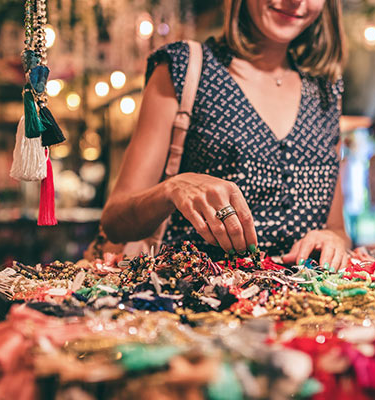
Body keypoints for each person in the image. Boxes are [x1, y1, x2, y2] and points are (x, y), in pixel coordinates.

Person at [101, 0, 351, 269]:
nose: (295, 1)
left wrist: (332, 239)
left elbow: (337, 229)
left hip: (305, 305)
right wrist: (173, 188)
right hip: (196, 299)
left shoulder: (325, 90)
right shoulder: (185, 66)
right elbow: (115, 222)